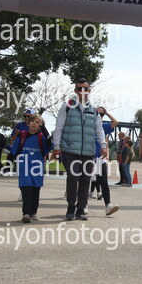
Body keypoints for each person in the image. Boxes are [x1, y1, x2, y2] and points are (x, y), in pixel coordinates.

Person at [52, 78, 106, 221]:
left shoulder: (94, 110)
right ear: (75, 90)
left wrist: (103, 145)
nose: (82, 91)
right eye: (79, 88)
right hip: (70, 150)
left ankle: (81, 209)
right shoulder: (67, 106)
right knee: (73, 178)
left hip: (88, 152)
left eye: (85, 88)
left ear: (89, 90)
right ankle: (71, 207)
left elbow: (99, 130)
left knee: (85, 180)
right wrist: (56, 147)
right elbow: (59, 127)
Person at [9, 114, 50, 223]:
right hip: (24, 167)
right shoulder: (22, 135)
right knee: (26, 189)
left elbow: (49, 144)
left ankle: (33, 212)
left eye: (37, 122)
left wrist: (44, 129)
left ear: (40, 125)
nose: (34, 124)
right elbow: (14, 150)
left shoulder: (42, 137)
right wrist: (9, 162)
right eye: (32, 121)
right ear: (28, 123)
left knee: (36, 190)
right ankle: (26, 213)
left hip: (37, 167)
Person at [91, 106, 120, 215]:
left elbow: (115, 122)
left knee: (104, 181)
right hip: (86, 157)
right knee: (83, 182)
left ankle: (108, 205)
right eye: (97, 113)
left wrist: (107, 113)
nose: (99, 116)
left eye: (102, 114)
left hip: (99, 159)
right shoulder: (87, 126)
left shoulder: (103, 126)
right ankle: (81, 206)